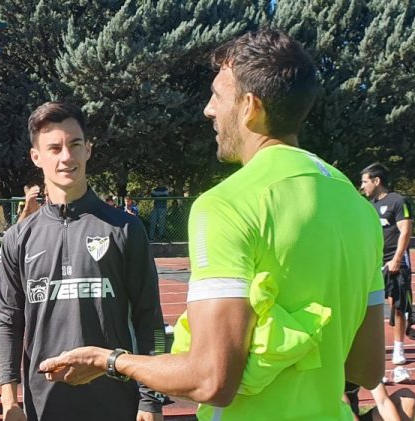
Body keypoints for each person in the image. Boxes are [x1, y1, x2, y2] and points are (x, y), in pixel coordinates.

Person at [40, 29, 386, 421]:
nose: (208, 109)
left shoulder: (227, 205)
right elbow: (367, 369)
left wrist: (109, 359)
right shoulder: (357, 206)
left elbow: (211, 380)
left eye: (218, 96)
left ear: (249, 107)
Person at [0, 101, 166, 421]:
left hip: (116, 403)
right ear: (37, 156)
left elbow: (149, 318)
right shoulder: (19, 237)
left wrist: (151, 400)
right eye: (54, 148)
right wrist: (9, 399)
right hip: (45, 405)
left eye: (75, 145)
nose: (66, 157)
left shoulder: (125, 229)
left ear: (88, 149)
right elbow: (8, 321)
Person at [360, 163, 413, 365]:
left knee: (397, 305)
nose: (362, 186)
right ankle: (372, 348)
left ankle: (399, 348)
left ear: (377, 181)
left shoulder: (398, 201)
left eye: (365, 181)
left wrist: (397, 259)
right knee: (369, 306)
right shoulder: (368, 206)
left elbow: (405, 231)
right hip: (374, 263)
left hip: (394, 261)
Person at [345, 382, 415, 421]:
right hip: (341, 418)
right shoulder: (334, 366)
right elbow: (346, 411)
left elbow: (383, 402)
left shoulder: (364, 362)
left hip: (355, 417)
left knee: (407, 396)